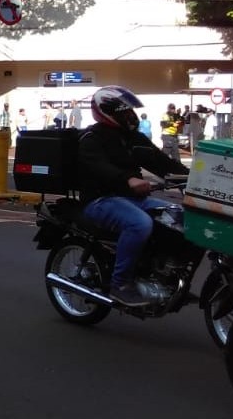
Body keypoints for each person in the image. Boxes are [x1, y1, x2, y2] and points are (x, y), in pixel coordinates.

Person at [78, 86, 190, 307]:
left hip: (134, 199)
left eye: (130, 111)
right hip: (101, 200)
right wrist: (128, 179)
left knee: (180, 217)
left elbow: (162, 162)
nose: (130, 116)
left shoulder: (134, 138)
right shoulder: (91, 138)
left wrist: (196, 179)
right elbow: (99, 166)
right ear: (108, 112)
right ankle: (120, 284)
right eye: (124, 112)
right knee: (139, 224)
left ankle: (161, 271)